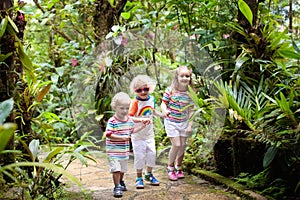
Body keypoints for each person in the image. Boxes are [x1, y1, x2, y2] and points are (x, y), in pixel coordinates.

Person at [105, 92, 148, 197]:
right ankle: (117, 186)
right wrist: (122, 138)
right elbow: (108, 134)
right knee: (116, 169)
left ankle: (121, 181)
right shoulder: (112, 121)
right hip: (113, 151)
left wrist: (141, 127)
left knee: (123, 170)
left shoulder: (128, 120)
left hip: (124, 151)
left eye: (127, 108)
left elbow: (132, 130)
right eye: (122, 108)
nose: (125, 111)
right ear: (115, 107)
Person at [129, 75, 165, 189]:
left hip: (149, 134)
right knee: (139, 156)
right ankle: (138, 177)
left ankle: (149, 174)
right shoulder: (135, 102)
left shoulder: (151, 99)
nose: (143, 92)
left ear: (149, 88)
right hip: (137, 134)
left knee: (152, 154)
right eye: (139, 90)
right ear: (135, 91)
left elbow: (152, 110)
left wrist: (162, 114)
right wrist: (141, 120)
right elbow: (129, 117)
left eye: (145, 89)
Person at [161, 66, 195, 181]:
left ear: (190, 78)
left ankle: (178, 167)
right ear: (177, 77)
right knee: (176, 144)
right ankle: (170, 167)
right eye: (182, 76)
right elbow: (163, 103)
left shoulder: (190, 93)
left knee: (182, 146)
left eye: (187, 76)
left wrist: (190, 125)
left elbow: (191, 110)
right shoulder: (170, 90)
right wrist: (164, 110)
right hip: (171, 121)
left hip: (184, 122)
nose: (185, 78)